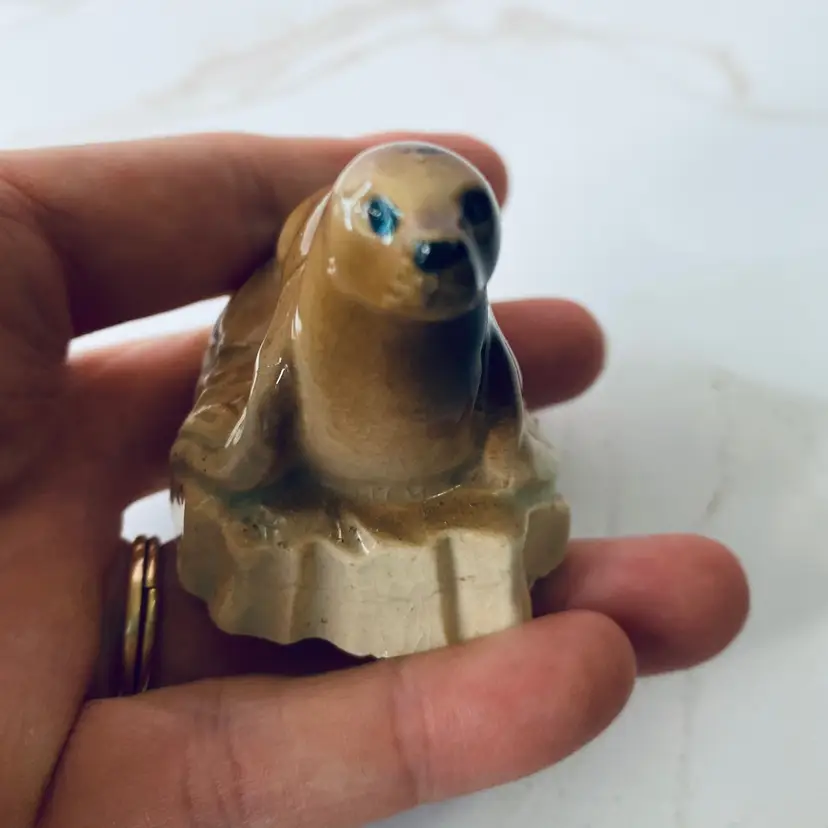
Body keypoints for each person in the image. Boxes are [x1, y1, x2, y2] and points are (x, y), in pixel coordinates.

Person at [0, 131, 749, 828]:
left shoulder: (470, 323)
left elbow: (494, 382)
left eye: (466, 219)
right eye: (385, 221)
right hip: (323, 470)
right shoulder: (310, 312)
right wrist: (241, 461)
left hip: (439, 471)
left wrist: (502, 455)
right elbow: (272, 388)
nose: (437, 247)